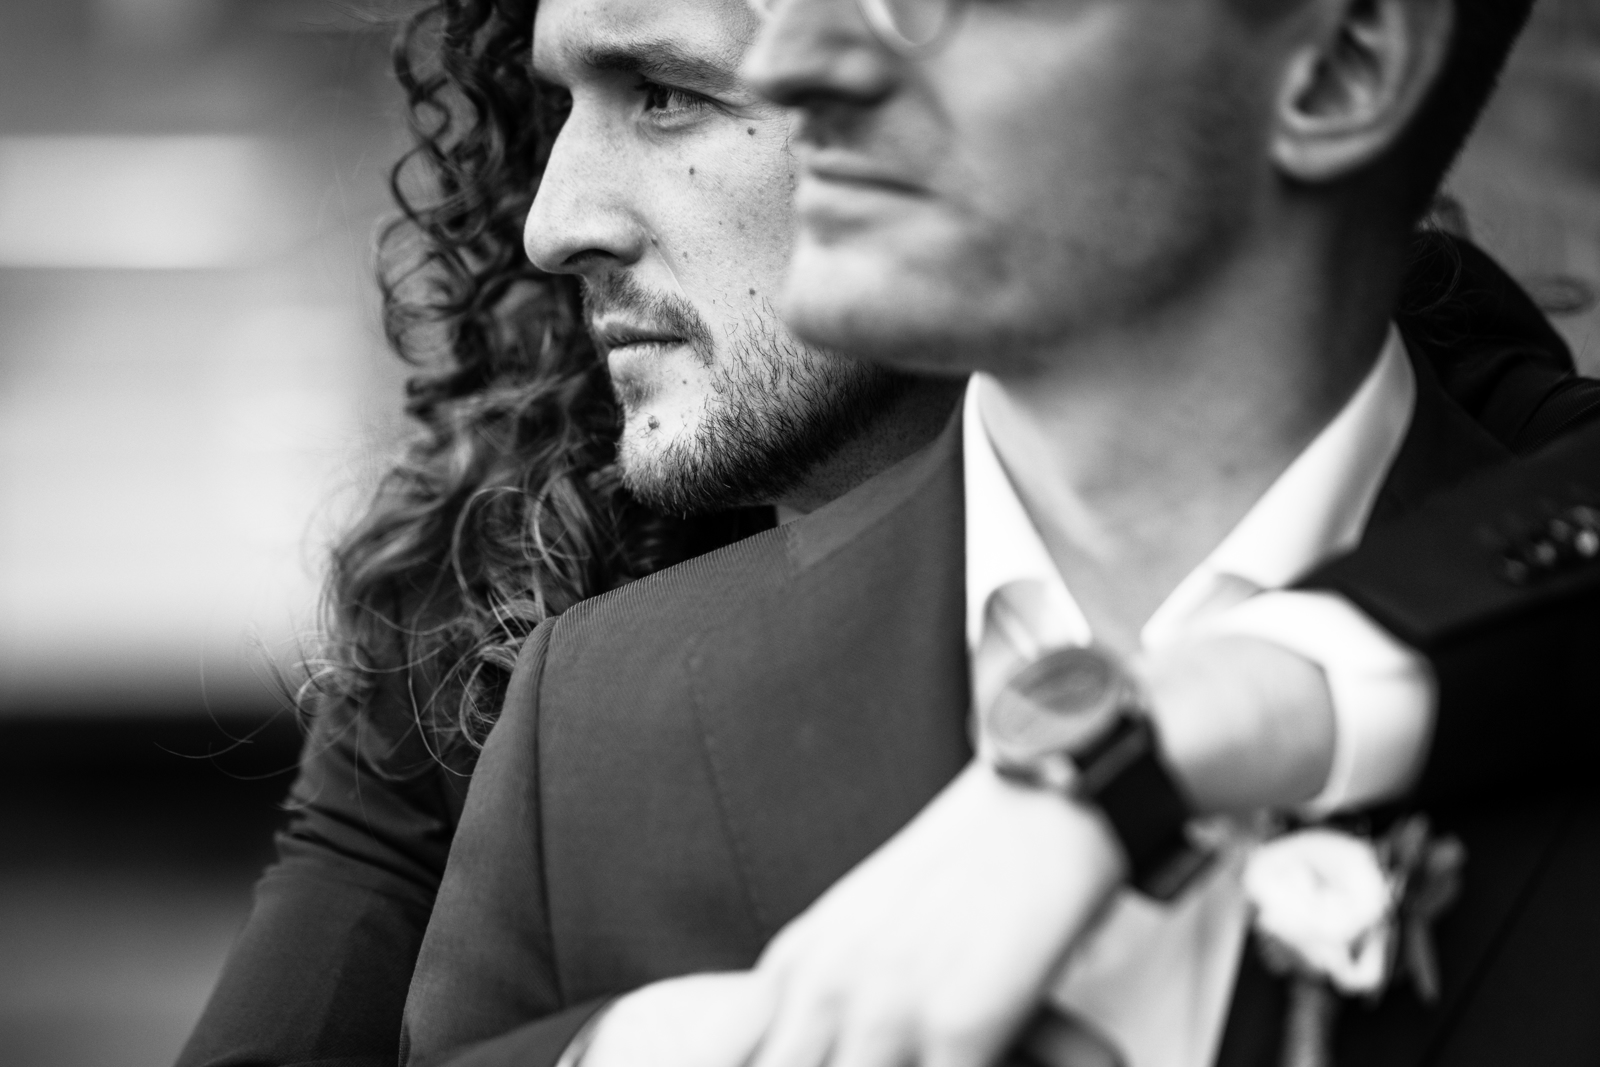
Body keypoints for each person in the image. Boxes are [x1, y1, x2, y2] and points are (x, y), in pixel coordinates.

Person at [179, 1, 1600, 1066]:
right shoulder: (521, 647)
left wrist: (1162, 748)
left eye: (672, 93)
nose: (556, 227)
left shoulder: (1445, 434)